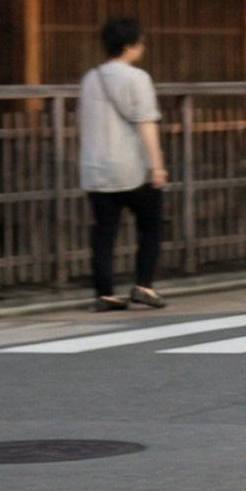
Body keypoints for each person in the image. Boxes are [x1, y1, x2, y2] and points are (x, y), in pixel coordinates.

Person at [81, 17, 169, 311]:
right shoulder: (137, 79)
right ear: (129, 46)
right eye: (140, 42)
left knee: (104, 232)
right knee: (151, 225)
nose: (142, 47)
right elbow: (146, 123)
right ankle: (143, 286)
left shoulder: (90, 78)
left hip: (95, 168)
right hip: (132, 168)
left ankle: (104, 293)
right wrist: (157, 165)